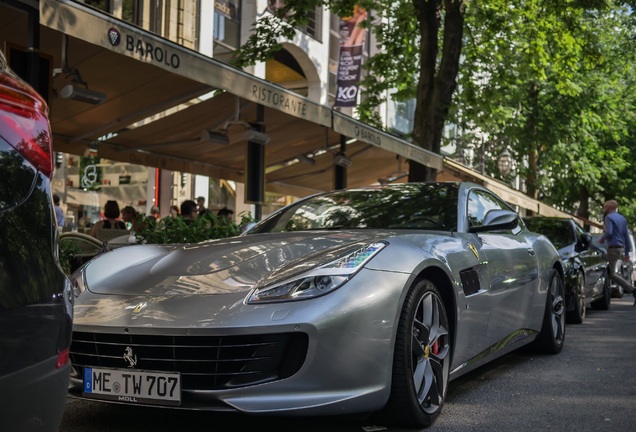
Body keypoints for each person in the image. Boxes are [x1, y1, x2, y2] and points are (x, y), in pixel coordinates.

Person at [598, 199, 636, 305]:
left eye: (605, 207)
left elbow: (609, 232)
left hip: (613, 248)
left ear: (610, 208)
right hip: (621, 248)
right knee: (614, 271)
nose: (604, 209)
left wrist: (602, 239)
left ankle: (633, 290)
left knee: (612, 274)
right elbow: (626, 236)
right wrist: (627, 253)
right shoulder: (622, 219)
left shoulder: (609, 218)